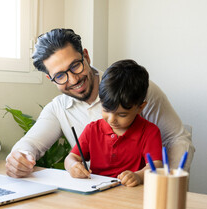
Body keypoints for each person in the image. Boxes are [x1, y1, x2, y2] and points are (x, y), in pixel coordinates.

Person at [5, 28, 194, 178]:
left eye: (75, 66)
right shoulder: (58, 109)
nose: (72, 80)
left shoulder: (136, 89)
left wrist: (165, 185)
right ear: (50, 79)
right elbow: (30, 144)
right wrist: (19, 159)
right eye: (60, 76)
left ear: (86, 56)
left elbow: (177, 140)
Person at [64, 59, 163, 187]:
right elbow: (71, 158)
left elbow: (156, 166)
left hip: (130, 194)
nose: (111, 119)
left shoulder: (149, 132)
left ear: (140, 107)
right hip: (97, 192)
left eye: (122, 115)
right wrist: (73, 166)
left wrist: (138, 176)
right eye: (106, 109)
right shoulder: (92, 130)